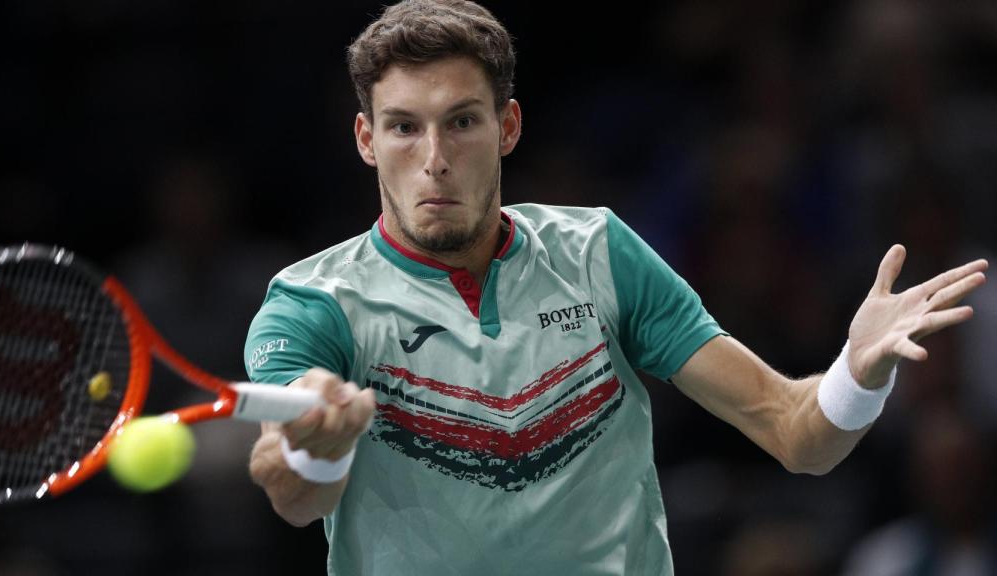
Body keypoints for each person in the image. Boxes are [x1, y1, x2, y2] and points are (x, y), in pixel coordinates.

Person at [243, 1, 989, 574]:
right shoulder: (313, 304)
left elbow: (799, 437)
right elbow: (291, 490)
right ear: (367, 139)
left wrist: (856, 374)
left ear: (507, 126)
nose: (434, 158)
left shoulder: (599, 252)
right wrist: (319, 449)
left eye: (461, 122)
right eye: (404, 128)